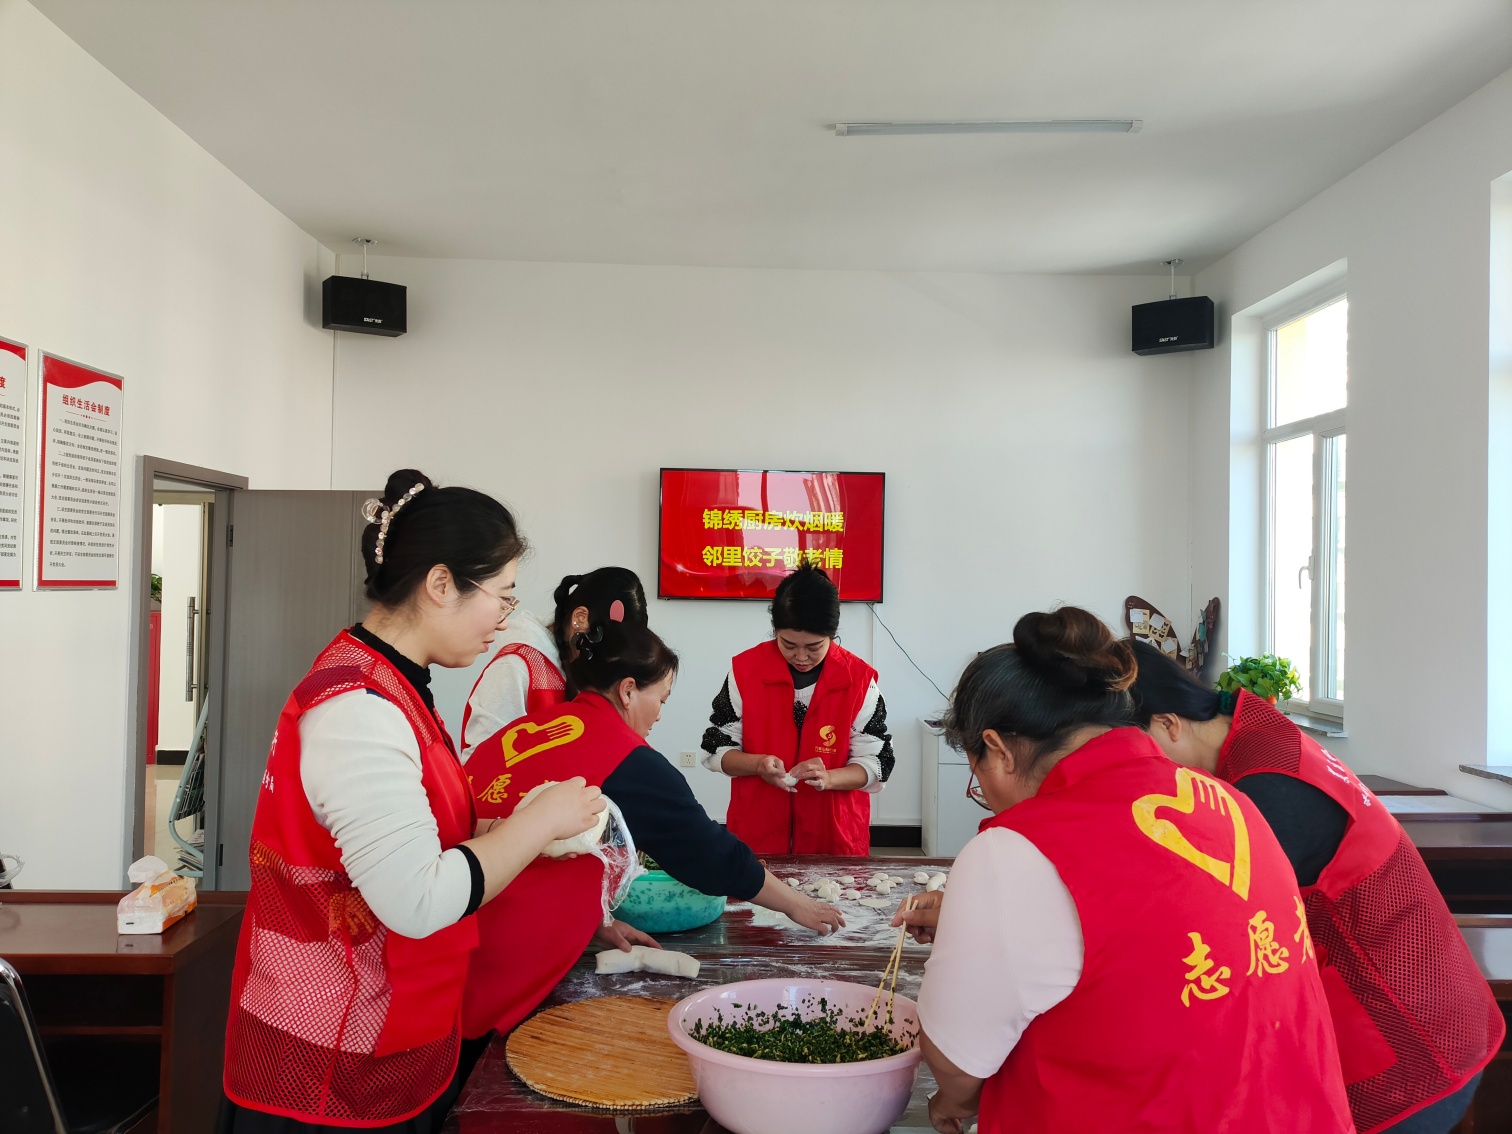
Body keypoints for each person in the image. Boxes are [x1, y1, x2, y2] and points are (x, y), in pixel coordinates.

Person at [219, 470, 604, 1134]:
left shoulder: (392, 683)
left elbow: (408, 832)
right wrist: (540, 821)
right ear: (440, 585)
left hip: (376, 1031)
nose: (504, 620)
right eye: (503, 597)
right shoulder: (359, 711)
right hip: (328, 1059)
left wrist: (503, 829)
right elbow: (418, 901)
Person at [895, 607, 1352, 1134]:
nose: (988, 799)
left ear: (997, 750)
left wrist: (949, 1104)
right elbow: (1144, 925)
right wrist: (980, 920)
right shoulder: (1230, 801)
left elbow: (957, 1065)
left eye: (978, 779)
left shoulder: (1016, 849)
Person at [1128, 640, 1504, 1134]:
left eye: (1132, 753)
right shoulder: (1260, 734)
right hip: (1441, 1007)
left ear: (1167, 724)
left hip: (1410, 1044)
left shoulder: (1266, 791)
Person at [462, 618, 845, 1041]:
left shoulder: (526, 731)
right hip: (499, 961)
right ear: (628, 690)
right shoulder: (625, 757)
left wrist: (591, 920)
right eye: (661, 699)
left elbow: (542, 847)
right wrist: (796, 905)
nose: (661, 714)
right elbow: (710, 854)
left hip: (454, 928)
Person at [701, 563, 892, 855]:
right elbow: (715, 748)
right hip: (758, 832)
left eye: (814, 647)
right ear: (775, 630)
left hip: (834, 836)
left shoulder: (859, 681)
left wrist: (830, 778)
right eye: (788, 644)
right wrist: (757, 765)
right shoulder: (745, 672)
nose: (800, 657)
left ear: (832, 634)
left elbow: (878, 762)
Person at [460, 567, 647, 758]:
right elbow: (480, 759)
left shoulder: (583, 668)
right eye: (606, 645)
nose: (605, 658)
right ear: (580, 618)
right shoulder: (518, 665)